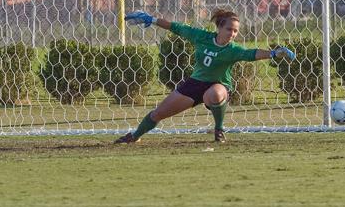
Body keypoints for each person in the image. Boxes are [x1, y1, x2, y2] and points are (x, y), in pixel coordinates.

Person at [114, 9, 295, 144]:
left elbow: (251, 54)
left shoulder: (233, 50)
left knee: (214, 95)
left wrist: (274, 53)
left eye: (236, 31)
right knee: (157, 114)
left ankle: (219, 129)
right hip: (194, 84)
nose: (232, 34)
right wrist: (151, 19)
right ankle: (135, 136)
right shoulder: (201, 37)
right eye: (229, 29)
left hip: (218, 85)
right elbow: (176, 27)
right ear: (219, 28)